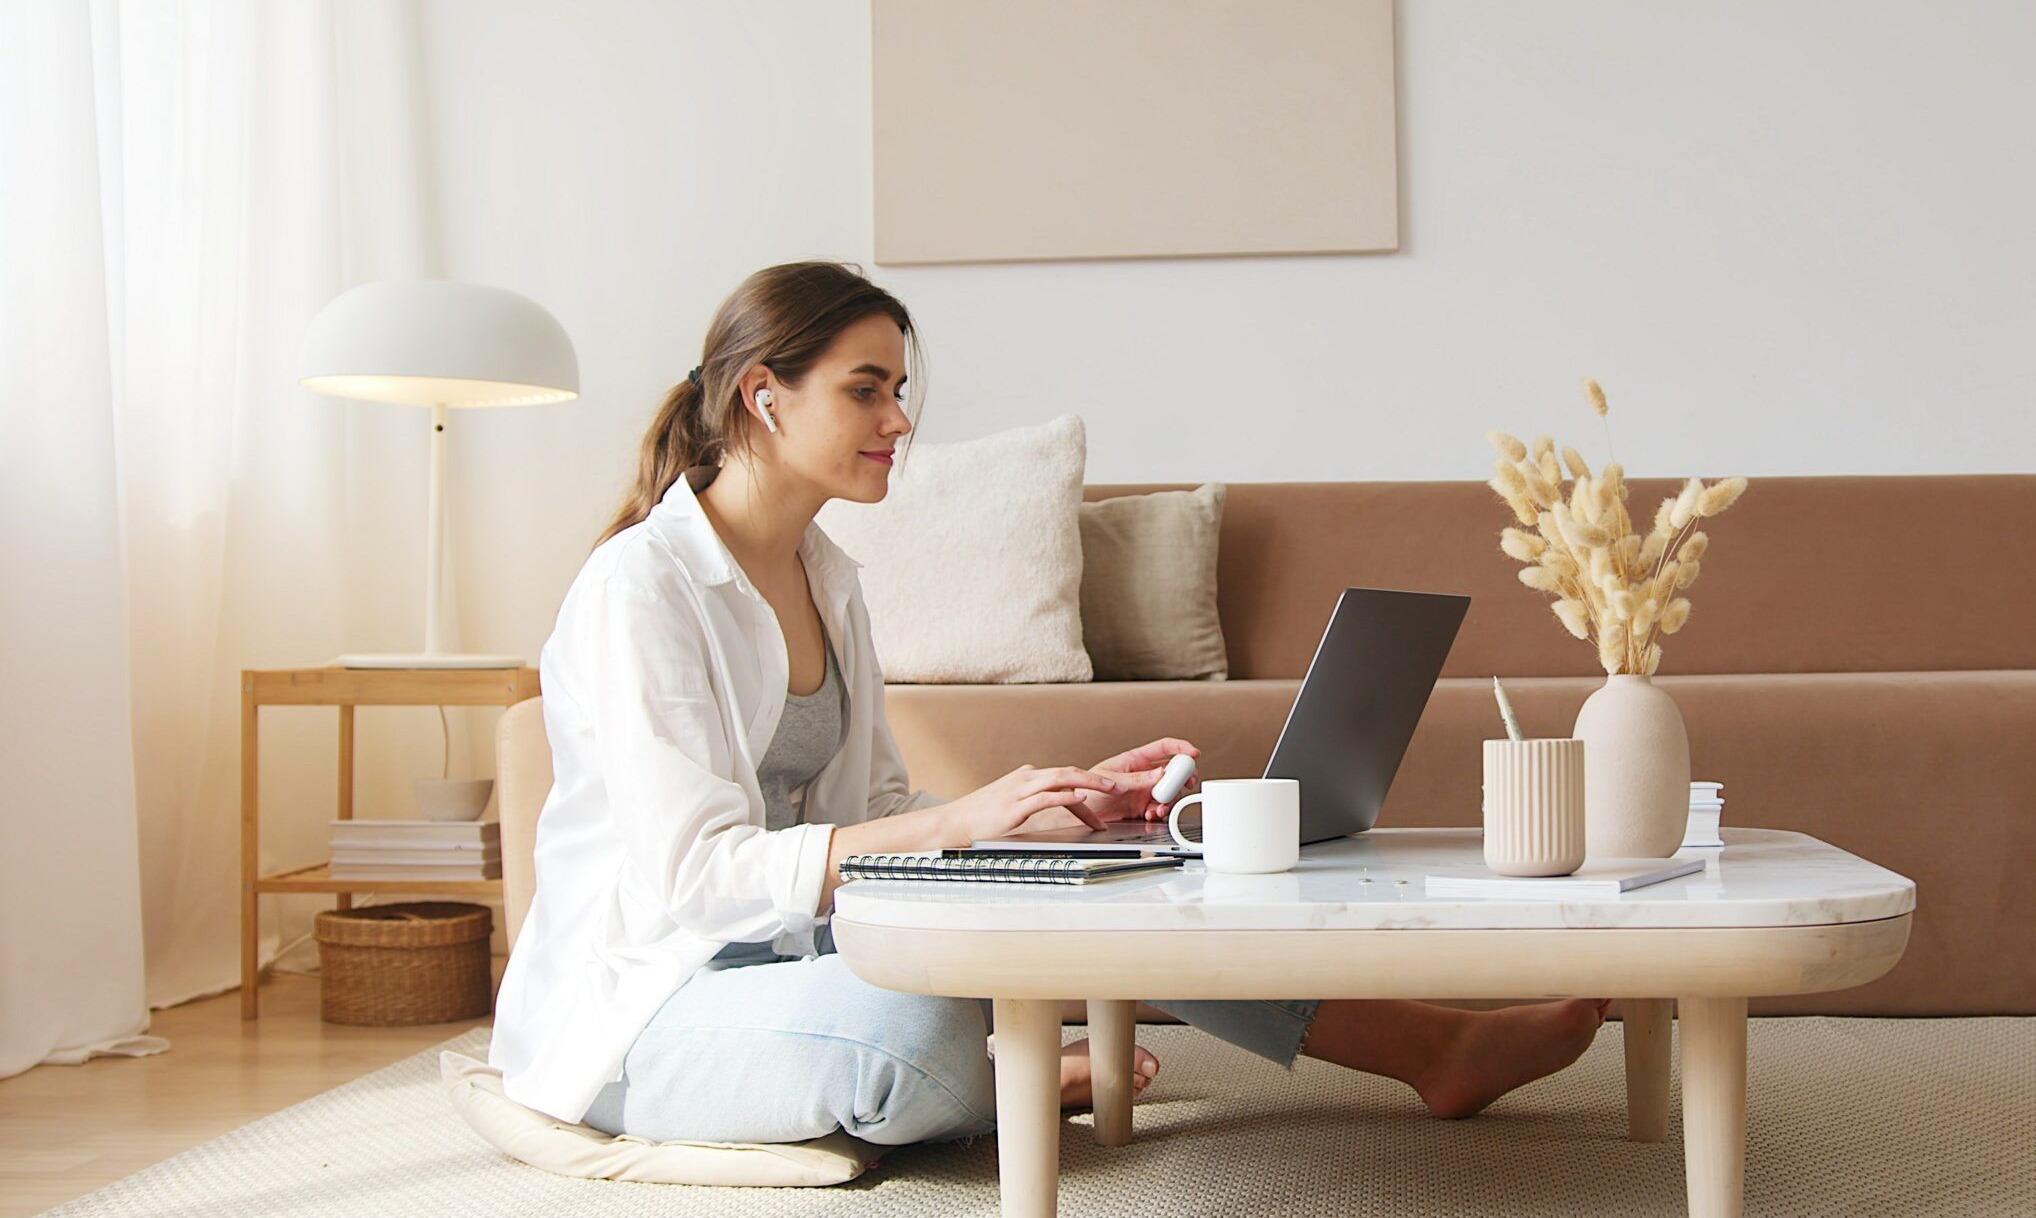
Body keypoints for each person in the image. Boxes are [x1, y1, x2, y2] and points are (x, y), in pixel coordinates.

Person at [487, 261, 1608, 1148]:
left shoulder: (829, 577)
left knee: (1124, 889)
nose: (899, 418)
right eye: (864, 389)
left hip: (799, 949)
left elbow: (878, 808)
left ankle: (1432, 1047)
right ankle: (1002, 1080)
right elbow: (696, 877)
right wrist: (957, 824)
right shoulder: (643, 587)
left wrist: (1050, 817)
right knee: (913, 1025)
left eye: (899, 390)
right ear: (761, 396)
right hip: (651, 1005)